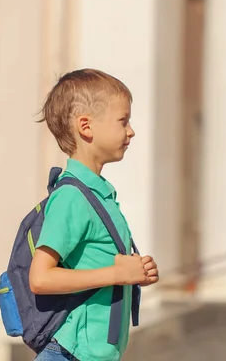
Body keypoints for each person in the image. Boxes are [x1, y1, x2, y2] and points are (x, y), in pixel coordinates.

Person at [29, 68, 159, 361]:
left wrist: (136, 272)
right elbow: (40, 278)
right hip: (70, 353)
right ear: (86, 127)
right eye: (123, 121)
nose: (131, 131)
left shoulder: (99, 195)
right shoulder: (71, 197)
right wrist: (117, 274)